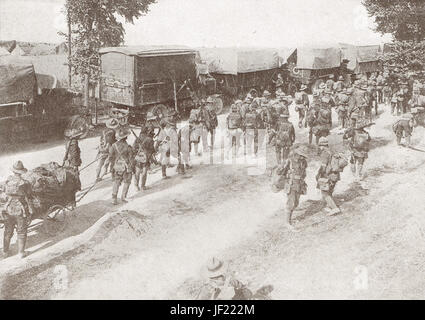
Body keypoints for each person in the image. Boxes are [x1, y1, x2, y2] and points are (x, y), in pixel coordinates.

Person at [2, 161, 33, 258]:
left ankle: (5, 252)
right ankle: (21, 253)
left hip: (8, 208)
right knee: (21, 231)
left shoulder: (8, 181)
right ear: (21, 172)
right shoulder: (24, 183)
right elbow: (29, 194)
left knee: (8, 231)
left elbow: (4, 191)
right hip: (20, 209)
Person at [278, 145, 308, 231]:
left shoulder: (304, 162)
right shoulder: (289, 161)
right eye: (301, 155)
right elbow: (280, 172)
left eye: (303, 156)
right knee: (290, 203)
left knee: (296, 203)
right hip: (291, 184)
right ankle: (287, 222)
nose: (302, 157)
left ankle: (290, 219)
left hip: (300, 184)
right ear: (296, 154)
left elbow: (304, 172)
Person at [315, 137, 347, 216]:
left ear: (321, 145)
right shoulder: (332, 151)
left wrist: (318, 175)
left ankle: (334, 208)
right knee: (330, 191)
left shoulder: (325, 153)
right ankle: (329, 205)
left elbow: (323, 167)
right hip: (335, 174)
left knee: (325, 193)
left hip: (329, 175)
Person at [109, 127, 133, 205]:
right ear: (125, 137)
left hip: (117, 166)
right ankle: (123, 197)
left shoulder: (113, 146)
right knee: (127, 181)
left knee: (116, 181)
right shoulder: (128, 147)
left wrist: (112, 167)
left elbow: (111, 157)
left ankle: (114, 198)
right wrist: (131, 168)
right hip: (126, 166)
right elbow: (131, 159)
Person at [63, 128, 83, 208]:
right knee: (74, 179)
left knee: (70, 180)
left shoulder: (69, 142)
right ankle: (72, 201)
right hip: (72, 163)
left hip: (68, 162)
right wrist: (75, 165)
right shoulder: (74, 143)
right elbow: (74, 154)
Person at [133, 126, 155, 191]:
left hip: (138, 157)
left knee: (137, 172)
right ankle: (143, 186)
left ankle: (136, 186)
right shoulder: (150, 139)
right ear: (147, 131)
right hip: (146, 157)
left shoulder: (137, 139)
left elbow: (133, 148)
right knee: (144, 172)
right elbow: (152, 150)